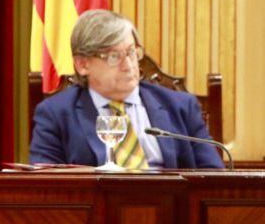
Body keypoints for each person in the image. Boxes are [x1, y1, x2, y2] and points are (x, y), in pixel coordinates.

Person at [30, 9, 223, 169]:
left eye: (131, 52)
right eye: (114, 57)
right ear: (82, 64)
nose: (128, 65)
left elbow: (214, 176)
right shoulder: (55, 114)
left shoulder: (180, 106)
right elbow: (47, 187)